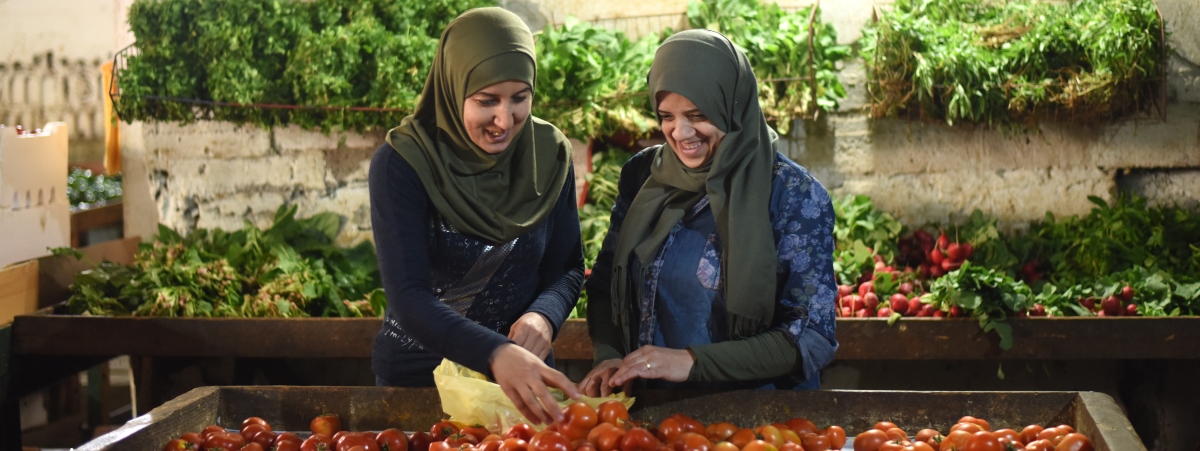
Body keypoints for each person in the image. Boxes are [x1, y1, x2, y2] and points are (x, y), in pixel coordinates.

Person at [579, 29, 838, 396]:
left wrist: (692, 361)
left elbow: (810, 335)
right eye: (666, 116)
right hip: (650, 418)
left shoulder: (792, 193)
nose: (680, 132)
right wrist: (608, 354)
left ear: (732, 107)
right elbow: (606, 282)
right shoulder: (643, 176)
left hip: (755, 426)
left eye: (698, 115)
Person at [369, 7, 583, 424]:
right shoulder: (404, 164)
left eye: (520, 97)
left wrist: (545, 315)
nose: (505, 120)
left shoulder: (550, 154)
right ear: (452, 88)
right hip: (420, 379)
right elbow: (409, 297)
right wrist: (496, 352)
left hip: (524, 382)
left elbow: (567, 267)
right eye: (487, 101)